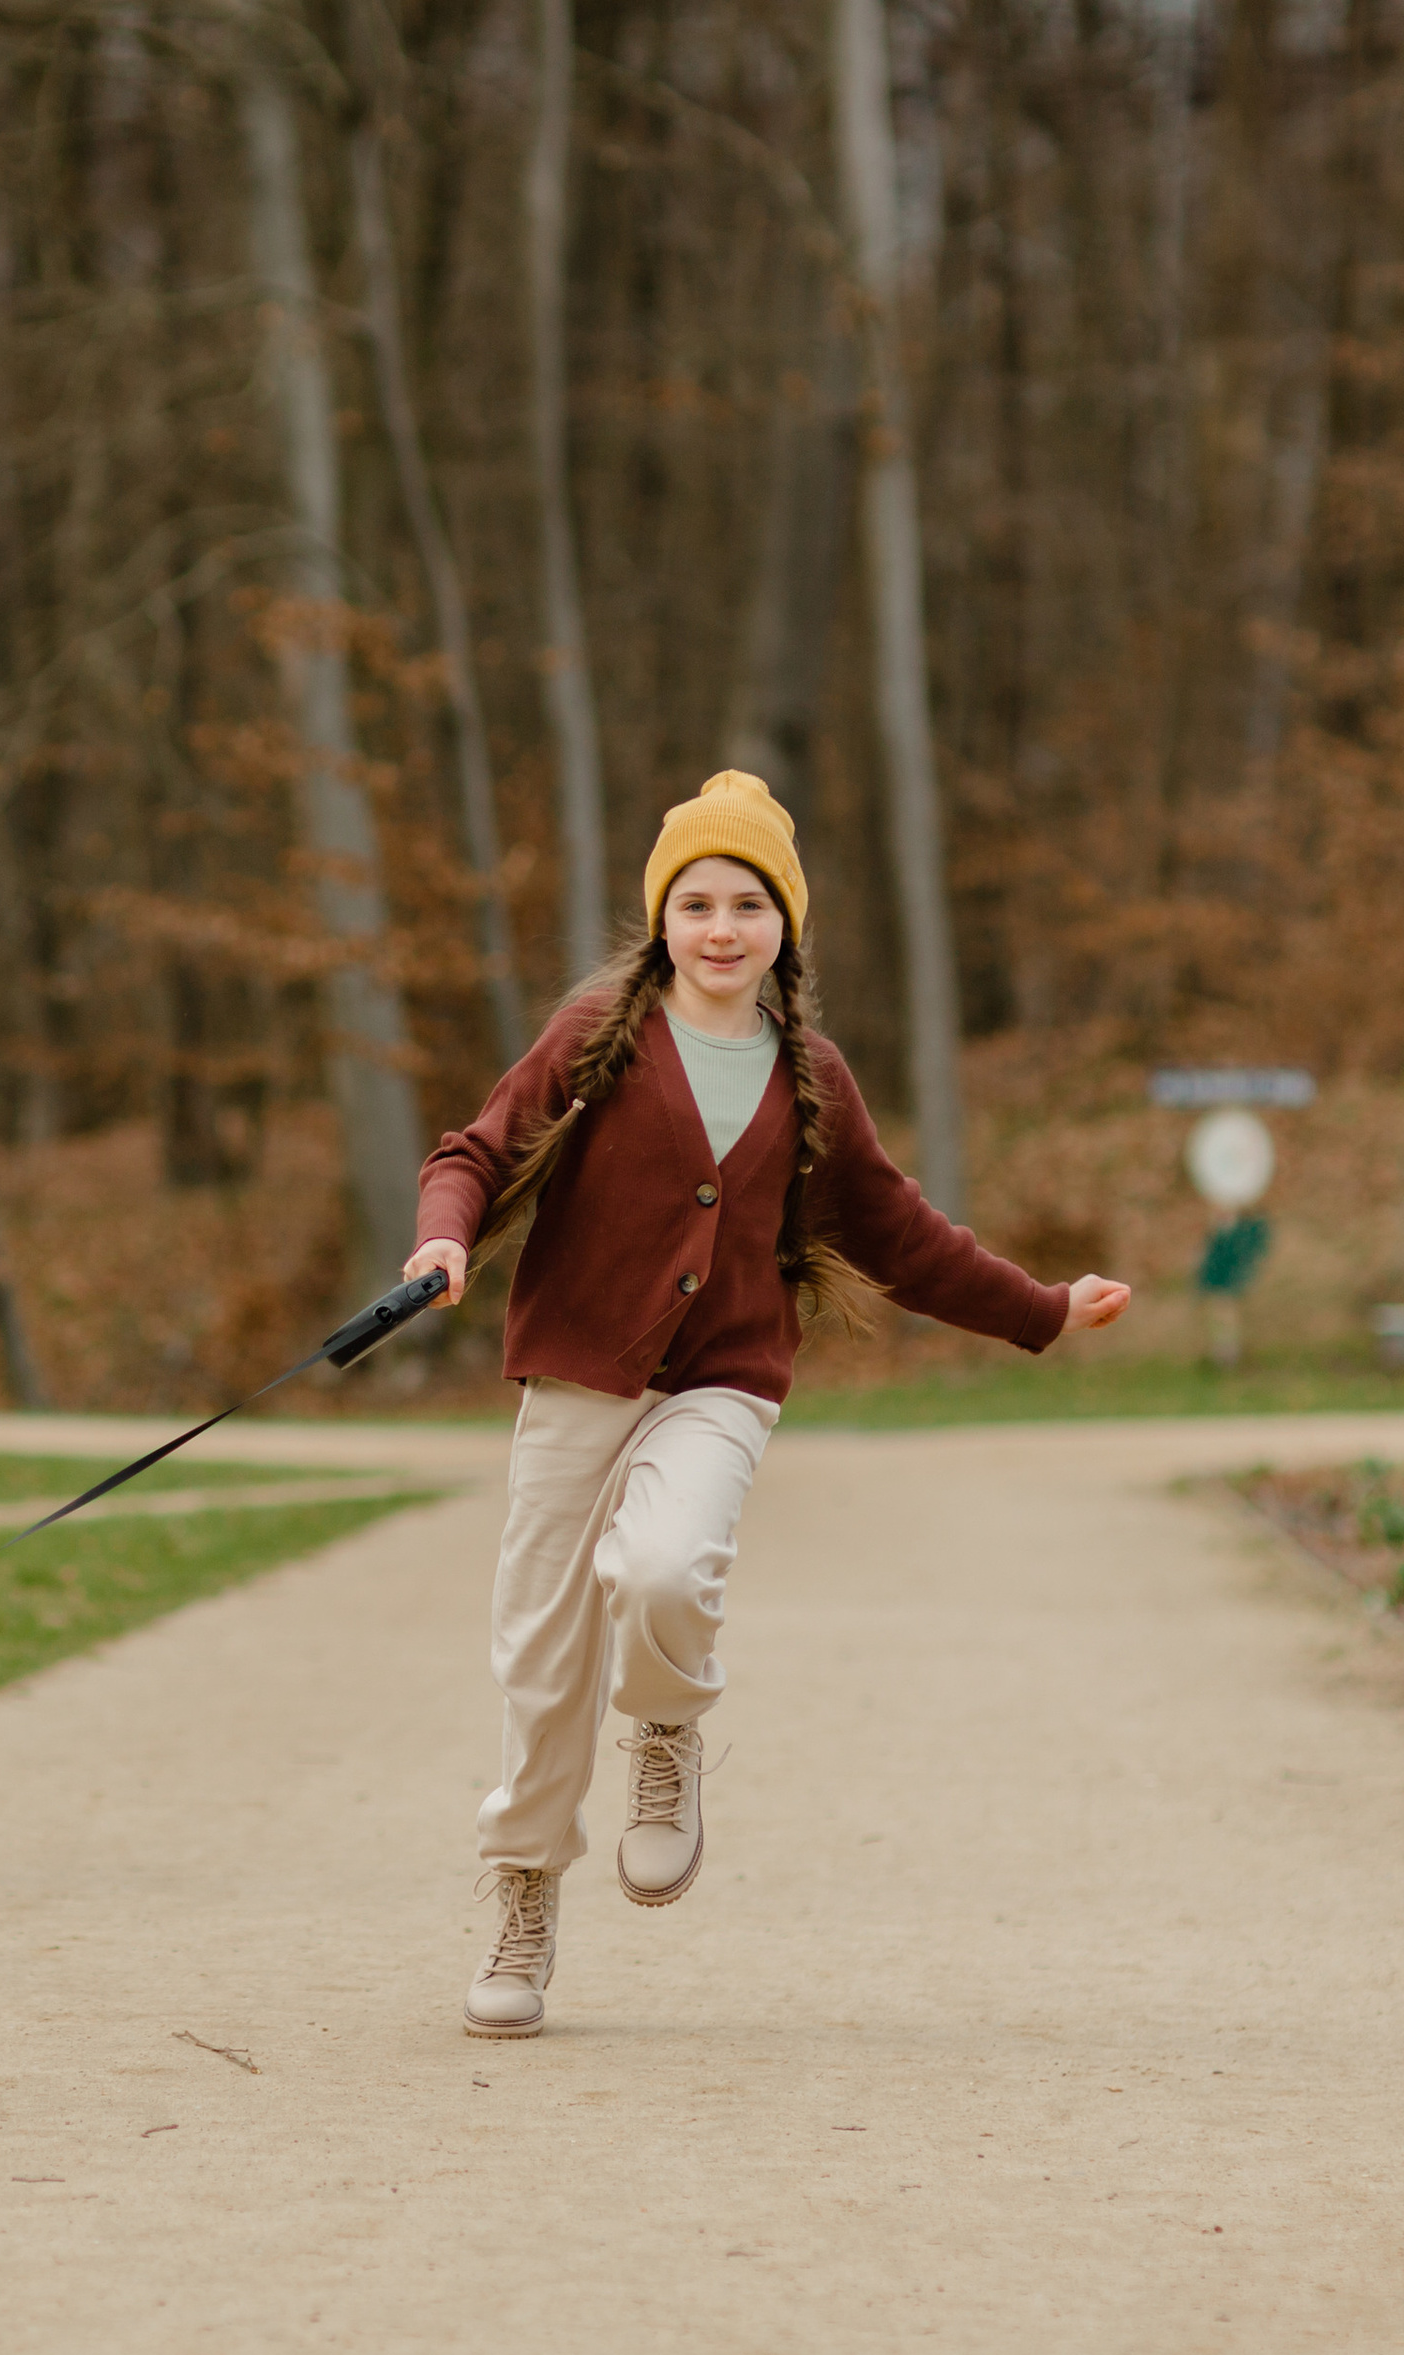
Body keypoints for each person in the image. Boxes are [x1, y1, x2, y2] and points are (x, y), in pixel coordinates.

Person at [409, 771, 1132, 2040]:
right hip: (578, 1373)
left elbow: (899, 1232)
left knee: (668, 1567)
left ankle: (668, 1734)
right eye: (697, 903)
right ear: (662, 921)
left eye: (749, 902)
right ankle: (524, 1895)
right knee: (538, 1665)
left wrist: (1039, 1308)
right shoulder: (596, 1036)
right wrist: (442, 1242)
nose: (723, 927)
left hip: (721, 1380)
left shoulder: (812, 1077)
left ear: (785, 926)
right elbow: (471, 1153)